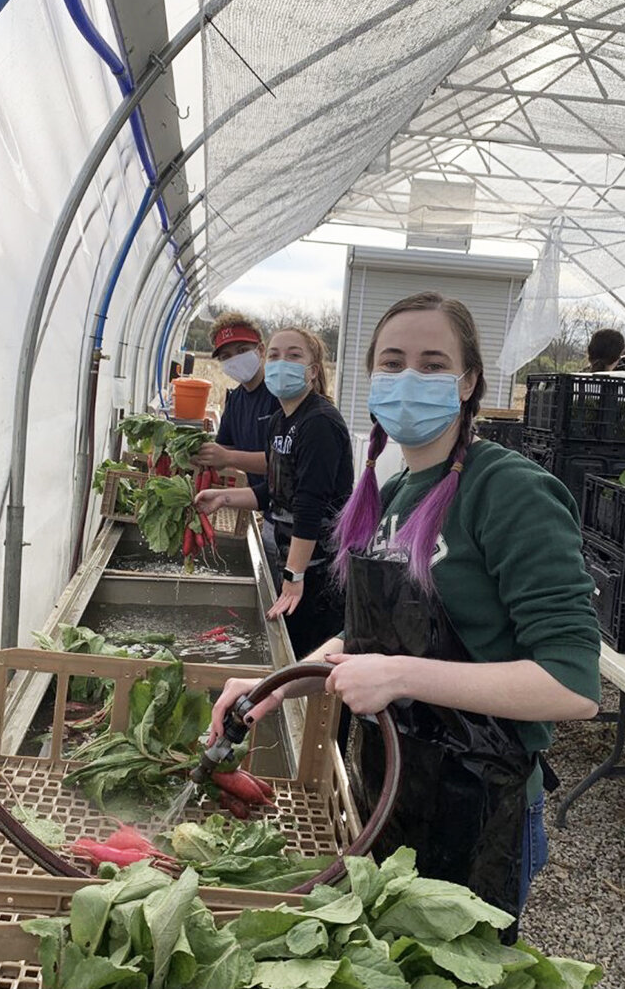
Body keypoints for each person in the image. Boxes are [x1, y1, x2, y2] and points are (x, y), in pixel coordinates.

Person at [207, 293, 601, 936]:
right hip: (395, 787)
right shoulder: (389, 494)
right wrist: (275, 684)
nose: (407, 378)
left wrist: (401, 675)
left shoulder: (508, 492)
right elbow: (370, 637)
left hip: (481, 804)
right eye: (392, 364)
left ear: (468, 381)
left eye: (432, 362)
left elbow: (572, 684)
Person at [196, 327, 353, 659]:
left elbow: (309, 505)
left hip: (319, 570)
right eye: (276, 356)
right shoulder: (279, 422)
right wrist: (223, 498)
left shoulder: (320, 422)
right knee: (289, 654)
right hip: (292, 560)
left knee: (316, 663)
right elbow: (275, 492)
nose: (282, 363)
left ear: (312, 371)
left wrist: (294, 575)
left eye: (294, 356)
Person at [194, 312, 281, 574]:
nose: (235, 360)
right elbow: (227, 448)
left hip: (295, 517)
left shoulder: (280, 396)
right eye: (226, 356)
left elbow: (285, 464)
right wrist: (201, 455)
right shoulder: (236, 399)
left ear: (261, 349)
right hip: (266, 507)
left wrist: (227, 458)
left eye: (242, 350)